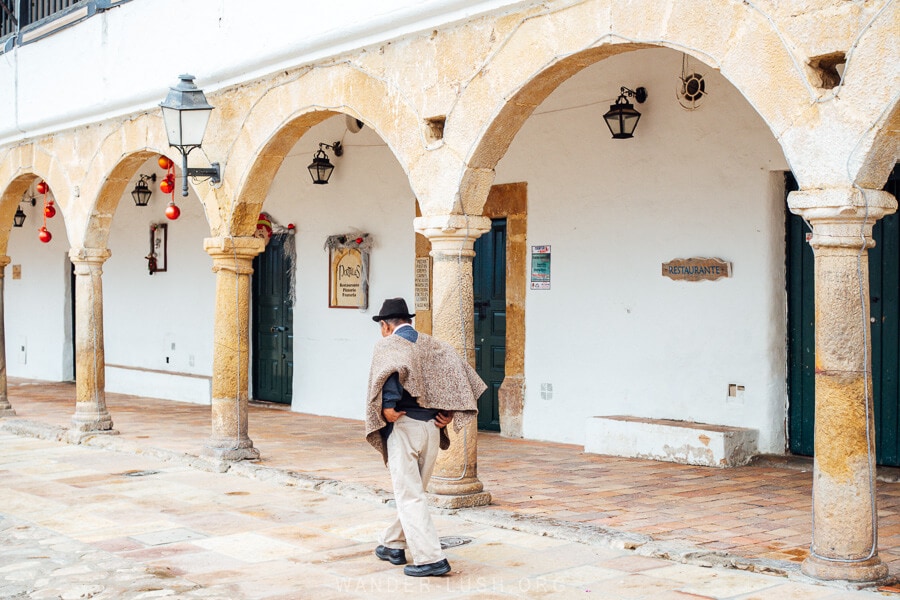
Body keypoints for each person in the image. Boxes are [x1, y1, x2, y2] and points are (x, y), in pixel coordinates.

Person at [365, 297, 486, 577]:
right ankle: (392, 544)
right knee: (414, 492)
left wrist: (388, 406)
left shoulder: (389, 344)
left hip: (405, 426)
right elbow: (455, 375)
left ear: (385, 325)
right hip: (432, 428)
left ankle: (430, 559)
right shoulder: (435, 345)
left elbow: (390, 374)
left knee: (409, 495)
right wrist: (449, 410)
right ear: (408, 321)